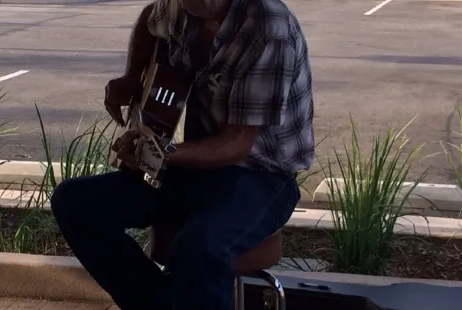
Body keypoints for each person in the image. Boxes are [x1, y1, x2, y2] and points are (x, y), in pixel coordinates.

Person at [50, 0, 314, 309]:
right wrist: (133, 76)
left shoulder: (269, 29)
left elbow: (237, 143)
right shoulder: (180, 7)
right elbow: (151, 17)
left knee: (199, 246)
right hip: (195, 166)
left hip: (262, 175)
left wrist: (161, 153)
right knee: (74, 202)